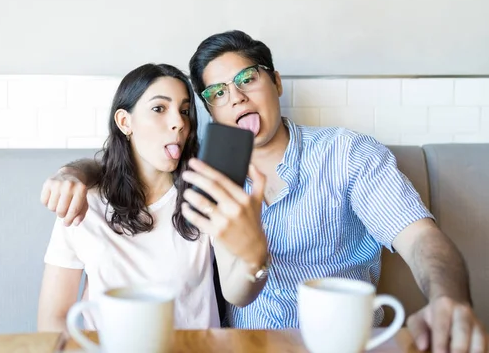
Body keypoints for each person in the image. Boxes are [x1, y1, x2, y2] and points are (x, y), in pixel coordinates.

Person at [40, 32, 487, 353]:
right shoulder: (209, 177)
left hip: (342, 343)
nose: (235, 98)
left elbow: (422, 239)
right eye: (216, 93)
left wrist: (449, 301)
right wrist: (78, 171)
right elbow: (137, 167)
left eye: (247, 79)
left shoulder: (347, 155)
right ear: (211, 111)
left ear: (275, 82)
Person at [37, 63, 269, 333]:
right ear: (125, 122)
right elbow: (53, 319)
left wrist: (255, 258)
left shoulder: (203, 195)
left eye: (184, 111)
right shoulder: (83, 201)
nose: (179, 123)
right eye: (159, 109)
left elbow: (237, 293)